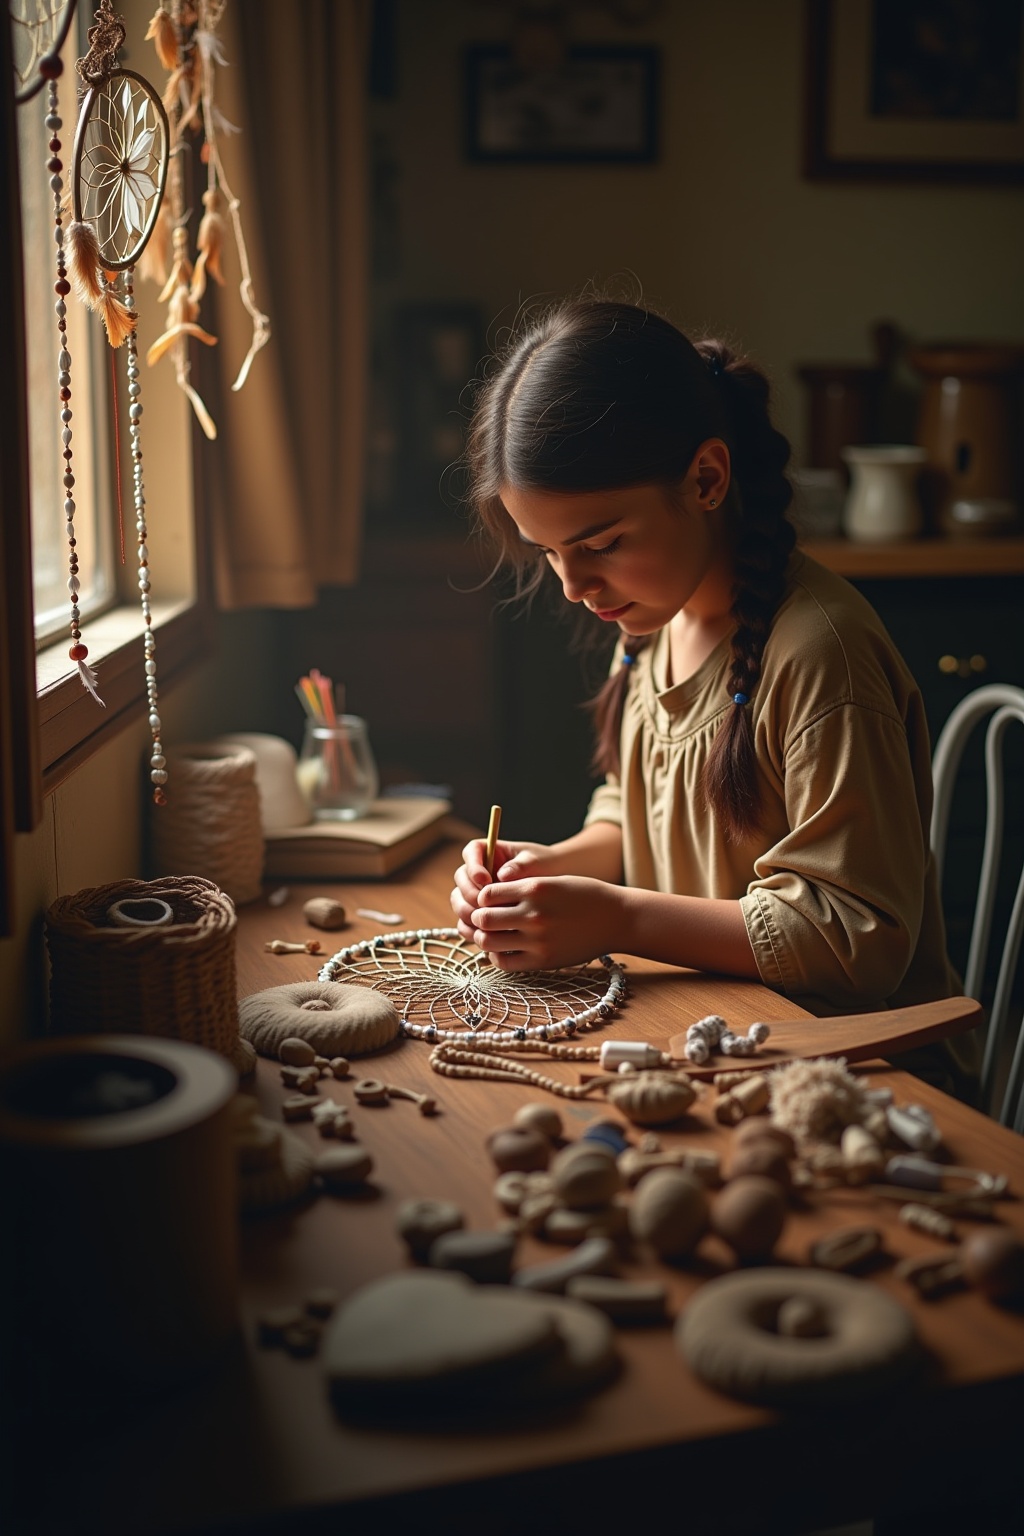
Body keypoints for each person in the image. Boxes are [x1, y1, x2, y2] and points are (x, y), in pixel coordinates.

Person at [450, 295, 976, 1095]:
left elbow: (854, 938)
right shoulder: (651, 621)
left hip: (858, 1078)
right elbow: (633, 808)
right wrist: (547, 874)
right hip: (715, 1042)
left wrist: (619, 917)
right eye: (548, 552)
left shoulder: (821, 656)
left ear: (706, 478)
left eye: (601, 544)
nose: (573, 585)